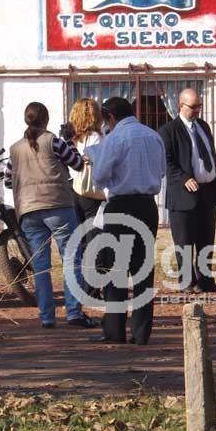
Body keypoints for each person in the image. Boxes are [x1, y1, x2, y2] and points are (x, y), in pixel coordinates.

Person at [5, 102, 97, 330]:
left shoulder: (15, 149)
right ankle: (74, 312)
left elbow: (8, 181)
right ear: (46, 120)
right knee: (71, 259)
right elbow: (77, 164)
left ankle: (47, 316)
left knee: (40, 265)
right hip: (58, 206)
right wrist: (69, 140)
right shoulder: (54, 141)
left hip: (28, 210)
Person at [90, 97, 166, 345]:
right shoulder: (153, 135)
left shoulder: (115, 138)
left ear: (111, 117)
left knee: (117, 268)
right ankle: (141, 331)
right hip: (147, 206)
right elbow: (161, 171)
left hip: (121, 205)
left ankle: (115, 329)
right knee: (143, 268)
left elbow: (99, 177)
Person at [158, 88, 216, 293]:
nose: (197, 110)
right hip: (183, 195)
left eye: (200, 106)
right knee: (184, 241)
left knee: (206, 241)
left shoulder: (203, 126)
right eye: (193, 107)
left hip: (207, 192)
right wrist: (184, 178)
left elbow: (210, 155)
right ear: (180, 106)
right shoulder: (169, 130)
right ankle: (186, 281)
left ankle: (206, 281)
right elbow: (166, 161)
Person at [67, 98, 107, 298]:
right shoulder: (98, 138)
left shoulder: (70, 140)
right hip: (93, 192)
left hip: (72, 190)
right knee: (95, 240)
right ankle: (91, 288)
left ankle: (80, 284)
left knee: (79, 240)